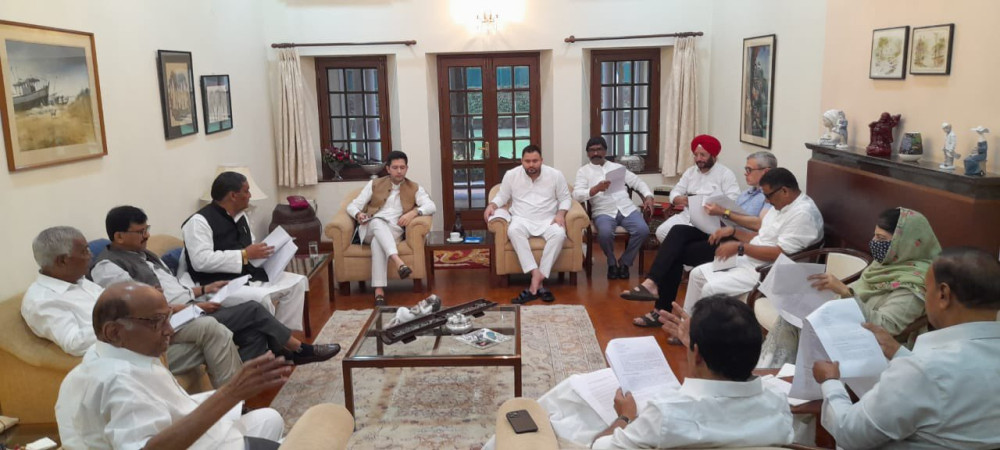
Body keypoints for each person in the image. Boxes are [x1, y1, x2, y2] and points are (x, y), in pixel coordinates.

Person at [510, 296, 793, 449]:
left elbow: (601, 448)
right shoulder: (778, 403)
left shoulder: (667, 413)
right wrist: (698, 340)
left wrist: (624, 417)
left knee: (569, 395)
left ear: (697, 354)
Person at [55, 281, 293, 450]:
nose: (169, 330)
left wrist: (227, 399)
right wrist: (230, 394)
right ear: (114, 332)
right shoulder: (119, 381)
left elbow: (171, 409)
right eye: (157, 322)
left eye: (168, 318)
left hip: (201, 437)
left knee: (270, 418)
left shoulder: (102, 357)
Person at [91, 206, 340, 365]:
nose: (146, 236)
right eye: (140, 232)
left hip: (190, 305)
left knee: (252, 333)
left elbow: (174, 289)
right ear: (119, 236)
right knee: (253, 309)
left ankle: (244, 388)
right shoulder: (107, 267)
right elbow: (139, 310)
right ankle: (298, 350)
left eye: (147, 229)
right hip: (168, 321)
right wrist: (194, 308)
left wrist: (203, 290)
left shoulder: (145, 254)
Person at [813, 247, 1000, 448]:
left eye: (926, 290)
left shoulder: (923, 370)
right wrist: (897, 351)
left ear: (943, 295)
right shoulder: (929, 366)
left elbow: (849, 433)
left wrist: (830, 382)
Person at [22, 226, 240, 388]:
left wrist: (145, 304)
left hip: (144, 332)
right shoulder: (41, 301)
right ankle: (230, 407)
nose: (90, 256)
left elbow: (116, 306)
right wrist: (124, 322)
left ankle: (238, 406)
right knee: (212, 343)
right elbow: (74, 343)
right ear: (62, 261)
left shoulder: (81, 282)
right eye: (85, 251)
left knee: (210, 327)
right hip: (123, 354)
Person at [758, 207, 940, 368]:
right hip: (847, 323)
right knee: (790, 317)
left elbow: (886, 327)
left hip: (870, 343)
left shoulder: (913, 284)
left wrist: (845, 292)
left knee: (798, 326)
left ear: (904, 244)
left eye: (881, 238)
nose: (874, 242)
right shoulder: (885, 265)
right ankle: (773, 375)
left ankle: (773, 378)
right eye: (874, 235)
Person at [624, 152, 777, 329]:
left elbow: (760, 224)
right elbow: (733, 214)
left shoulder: (770, 197)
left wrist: (724, 213)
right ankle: (651, 284)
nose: (745, 173)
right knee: (678, 231)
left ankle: (660, 308)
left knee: (674, 254)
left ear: (766, 171)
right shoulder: (746, 194)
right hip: (723, 231)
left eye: (749, 170)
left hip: (737, 244)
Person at [682, 168, 823, 315]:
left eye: (768, 195)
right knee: (697, 274)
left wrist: (740, 247)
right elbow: (763, 236)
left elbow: (780, 254)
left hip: (771, 271)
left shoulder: (802, 214)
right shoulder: (781, 205)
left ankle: (701, 328)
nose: (766, 201)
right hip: (752, 261)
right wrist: (733, 232)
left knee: (710, 289)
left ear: (784, 191)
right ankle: (686, 322)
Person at [181, 171, 306, 330]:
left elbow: (250, 246)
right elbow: (201, 261)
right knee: (263, 299)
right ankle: (276, 339)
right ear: (233, 195)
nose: (250, 195)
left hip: (247, 276)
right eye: (246, 191)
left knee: (298, 282)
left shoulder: (241, 217)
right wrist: (244, 254)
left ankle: (284, 335)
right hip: (217, 286)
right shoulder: (198, 222)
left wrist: (268, 252)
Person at [346, 150, 436, 306]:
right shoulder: (374, 184)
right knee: (376, 221)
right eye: (395, 167)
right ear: (388, 169)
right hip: (369, 228)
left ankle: (379, 291)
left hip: (394, 230)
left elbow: (431, 206)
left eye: (402, 167)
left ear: (407, 168)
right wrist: (358, 214)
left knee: (377, 243)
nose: (399, 171)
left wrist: (414, 212)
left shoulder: (414, 187)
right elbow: (352, 206)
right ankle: (398, 261)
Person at [484, 144, 571, 304]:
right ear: (522, 161)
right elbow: (502, 196)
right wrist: (492, 205)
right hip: (521, 218)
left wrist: (560, 214)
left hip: (548, 219)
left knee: (559, 234)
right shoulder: (511, 175)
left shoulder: (555, 175)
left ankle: (535, 283)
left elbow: (565, 198)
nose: (531, 165)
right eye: (527, 161)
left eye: (535, 161)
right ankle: (536, 274)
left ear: (541, 160)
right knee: (513, 230)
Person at [573, 136, 654, 280]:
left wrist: (648, 196)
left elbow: (638, 182)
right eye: (592, 150)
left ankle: (625, 263)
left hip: (626, 209)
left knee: (643, 230)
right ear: (587, 153)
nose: (595, 153)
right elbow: (577, 195)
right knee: (604, 234)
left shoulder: (617, 168)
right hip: (603, 212)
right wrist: (595, 189)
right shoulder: (583, 172)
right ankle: (611, 263)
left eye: (599, 149)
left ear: (605, 151)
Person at [653, 135, 740, 242]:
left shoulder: (725, 174)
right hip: (688, 216)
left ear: (713, 156)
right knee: (661, 232)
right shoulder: (690, 172)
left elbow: (734, 199)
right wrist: (678, 199)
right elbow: (675, 191)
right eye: (696, 155)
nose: (698, 159)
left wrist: (711, 204)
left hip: (712, 219)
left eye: (703, 155)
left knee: (684, 240)